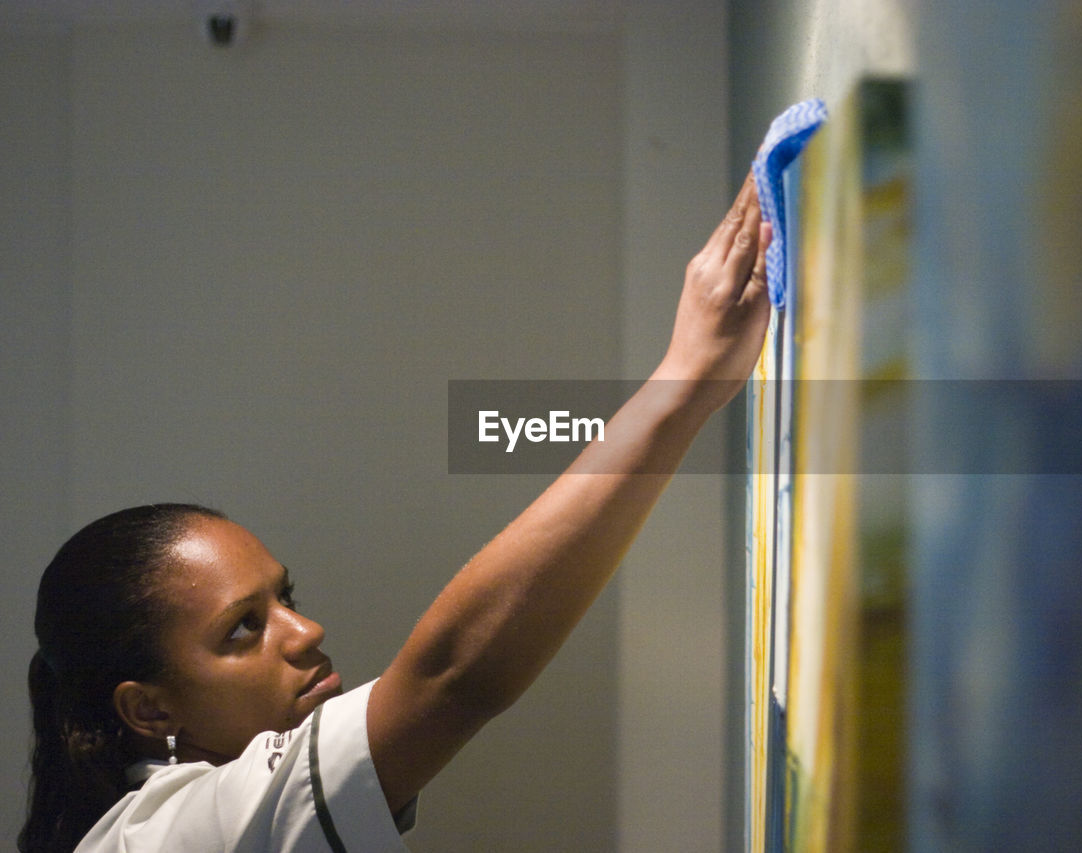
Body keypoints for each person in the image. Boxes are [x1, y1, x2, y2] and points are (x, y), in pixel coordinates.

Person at [20, 175, 772, 852]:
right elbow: (453, 677)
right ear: (148, 708)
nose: (306, 631)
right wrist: (684, 380)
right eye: (243, 628)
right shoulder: (168, 836)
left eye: (285, 598)